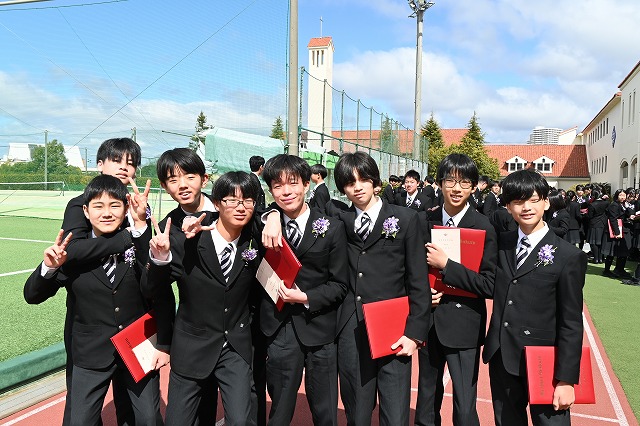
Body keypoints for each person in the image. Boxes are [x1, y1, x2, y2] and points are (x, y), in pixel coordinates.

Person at [25, 175, 173, 425]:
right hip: (90, 351)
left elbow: (157, 292)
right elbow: (32, 295)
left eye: (114, 205)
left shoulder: (139, 243)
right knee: (80, 421)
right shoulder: (72, 253)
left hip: (138, 347)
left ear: (125, 208)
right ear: (85, 210)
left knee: (148, 418)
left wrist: (164, 345)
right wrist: (49, 268)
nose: (106, 213)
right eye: (98, 206)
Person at [448, 168, 587, 425]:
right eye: (518, 201)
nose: (526, 208)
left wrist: (566, 379)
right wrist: (445, 272)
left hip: (545, 364)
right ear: (509, 207)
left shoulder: (569, 256)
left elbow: (571, 322)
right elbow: (483, 281)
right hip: (502, 357)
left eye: (534, 200)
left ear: (546, 202)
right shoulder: (501, 244)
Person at [143, 171, 264, 426]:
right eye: (232, 200)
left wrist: (272, 216)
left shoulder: (255, 240)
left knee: (241, 420)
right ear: (216, 203)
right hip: (192, 346)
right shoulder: (188, 240)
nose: (240, 207)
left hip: (235, 347)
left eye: (247, 200)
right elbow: (151, 289)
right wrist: (160, 258)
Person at [327, 151, 430, 426]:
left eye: (363, 179)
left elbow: (418, 281)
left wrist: (414, 334)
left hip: (393, 327)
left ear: (375, 181)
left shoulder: (406, 219)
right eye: (350, 183)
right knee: (356, 412)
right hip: (352, 328)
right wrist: (273, 215)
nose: (357, 187)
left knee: (395, 414)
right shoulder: (339, 220)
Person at [59, 137, 155, 425]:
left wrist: (142, 227)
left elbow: (148, 259)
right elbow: (73, 250)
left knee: (138, 407)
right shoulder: (80, 204)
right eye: (117, 160)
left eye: (131, 163)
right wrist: (128, 236)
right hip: (90, 319)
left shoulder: (139, 204)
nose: (124, 167)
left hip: (134, 321)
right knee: (80, 404)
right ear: (100, 164)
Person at [259, 154, 348, 426]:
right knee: (279, 412)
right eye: (277, 186)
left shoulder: (332, 228)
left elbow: (340, 284)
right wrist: (271, 215)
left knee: (325, 413)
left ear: (307, 184)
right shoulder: (264, 226)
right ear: (270, 190)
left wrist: (307, 297)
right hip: (280, 329)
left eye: (293, 183)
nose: (286, 191)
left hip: (320, 329)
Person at [418, 153, 497, 426]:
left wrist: (447, 266)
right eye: (450, 180)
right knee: (426, 400)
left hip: (464, 325)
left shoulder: (484, 227)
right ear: (440, 183)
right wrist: (423, 293)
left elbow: (490, 284)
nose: (456, 188)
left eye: (464, 182)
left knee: (464, 406)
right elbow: (409, 270)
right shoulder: (423, 221)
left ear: (474, 187)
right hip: (428, 322)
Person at [602, 189, 633, 279]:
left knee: (621, 251)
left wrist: (628, 208)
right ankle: (607, 270)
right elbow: (613, 219)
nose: (622, 197)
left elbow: (629, 214)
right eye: (620, 195)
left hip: (623, 229)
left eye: (624, 195)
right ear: (617, 196)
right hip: (615, 230)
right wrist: (617, 232)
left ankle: (619, 269)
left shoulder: (624, 205)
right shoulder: (614, 205)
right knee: (611, 252)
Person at [586, 189, 608, 264]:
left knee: (594, 242)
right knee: (601, 241)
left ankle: (596, 259)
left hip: (594, 224)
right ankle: (601, 258)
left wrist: (585, 214)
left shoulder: (592, 205)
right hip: (603, 223)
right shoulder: (606, 203)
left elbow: (590, 216)